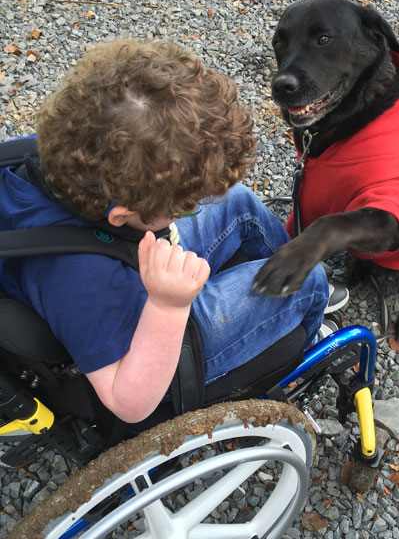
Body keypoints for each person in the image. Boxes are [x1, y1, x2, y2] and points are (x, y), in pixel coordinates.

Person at [0, 39, 334, 424]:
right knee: (306, 278)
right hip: (155, 345)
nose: (194, 209)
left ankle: (260, 310)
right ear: (122, 214)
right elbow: (127, 402)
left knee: (235, 201)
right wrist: (167, 306)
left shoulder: (62, 153)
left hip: (122, 260)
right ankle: (302, 342)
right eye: (185, 206)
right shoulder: (81, 279)